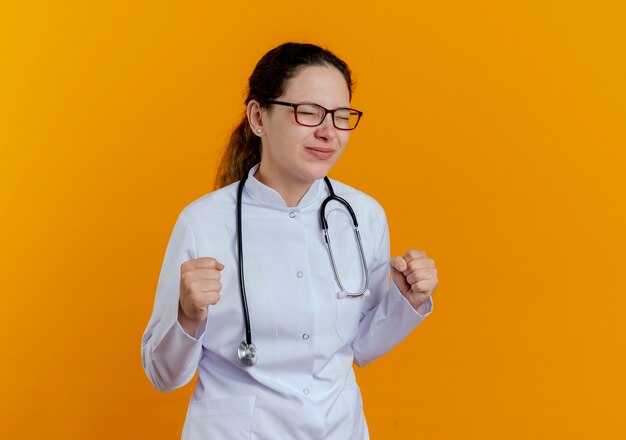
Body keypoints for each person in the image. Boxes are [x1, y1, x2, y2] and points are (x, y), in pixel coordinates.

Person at [141, 42, 438, 439]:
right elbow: (163, 376)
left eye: (340, 115)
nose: (328, 131)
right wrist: (188, 316)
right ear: (258, 117)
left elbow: (360, 347)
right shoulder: (203, 223)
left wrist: (407, 300)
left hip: (339, 429)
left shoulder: (364, 216)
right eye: (309, 112)